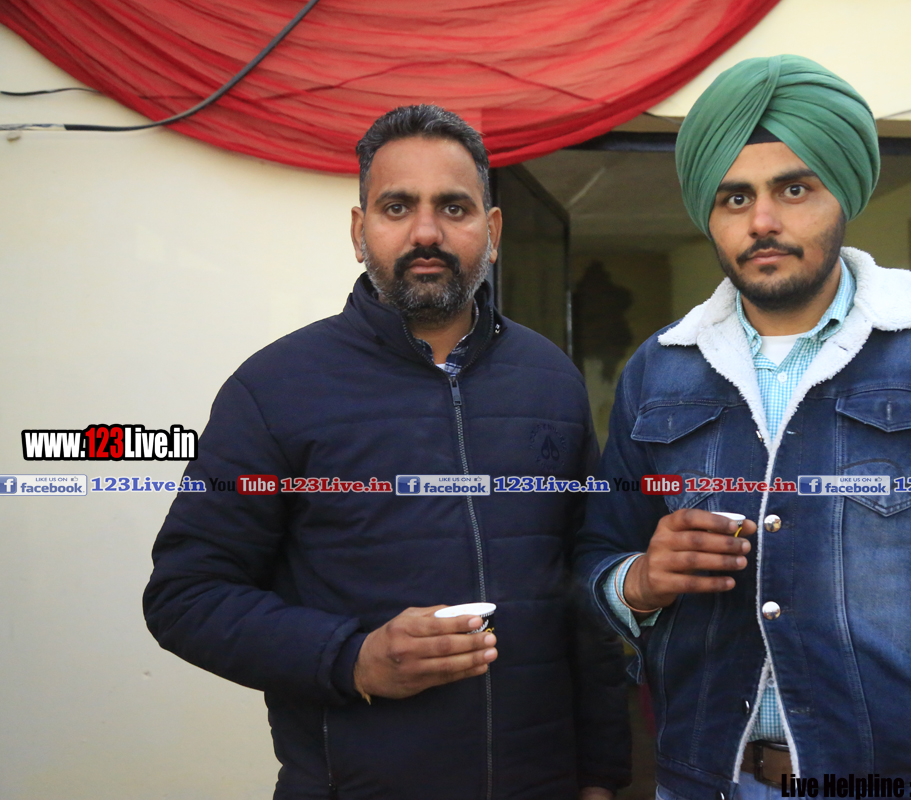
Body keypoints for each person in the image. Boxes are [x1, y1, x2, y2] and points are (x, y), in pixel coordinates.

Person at [572, 55, 911, 798]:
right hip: (705, 779)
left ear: (843, 194)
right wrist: (640, 581)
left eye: (794, 189)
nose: (763, 221)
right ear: (709, 213)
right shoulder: (661, 368)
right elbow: (595, 553)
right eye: (735, 197)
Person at [143, 105, 630, 800]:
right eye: (397, 207)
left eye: (454, 207)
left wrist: (602, 776)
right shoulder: (273, 388)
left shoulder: (551, 379)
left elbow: (586, 589)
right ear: (359, 230)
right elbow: (186, 596)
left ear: (492, 232)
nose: (426, 233)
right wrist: (354, 658)